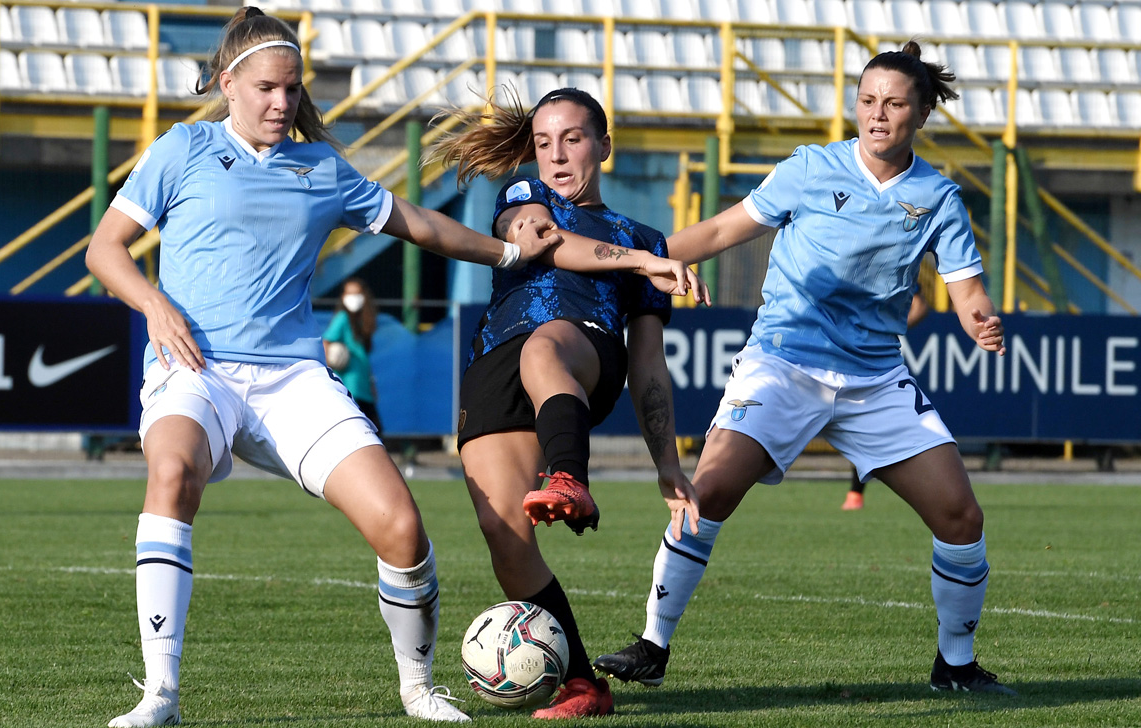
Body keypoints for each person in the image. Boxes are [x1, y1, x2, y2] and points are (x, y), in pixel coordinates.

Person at [84, 9, 567, 726]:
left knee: (402, 528)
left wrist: (505, 255)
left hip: (292, 381)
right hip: (197, 368)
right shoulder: (182, 148)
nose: (283, 103)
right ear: (229, 84)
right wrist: (155, 306)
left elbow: (419, 223)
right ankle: (161, 695)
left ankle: (418, 689)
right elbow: (104, 251)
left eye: (292, 89)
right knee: (172, 474)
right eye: (268, 90)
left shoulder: (321, 169)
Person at [594, 42, 1017, 696]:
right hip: (783, 362)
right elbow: (719, 231)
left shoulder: (938, 198)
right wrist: (640, 261)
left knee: (961, 517)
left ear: (922, 114)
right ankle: (653, 642)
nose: (877, 115)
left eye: (895, 104)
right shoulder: (811, 169)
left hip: (874, 379)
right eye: (867, 100)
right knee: (708, 492)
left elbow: (969, 292)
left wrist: (981, 319)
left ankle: (955, 663)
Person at [429, 87, 706, 718]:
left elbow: (648, 366)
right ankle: (584, 683)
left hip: (585, 349)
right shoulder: (522, 201)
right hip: (495, 364)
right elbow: (545, 242)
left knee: (545, 347)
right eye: (544, 142)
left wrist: (667, 463)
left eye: (573, 139)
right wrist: (643, 264)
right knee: (507, 538)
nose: (556, 155)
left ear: (604, 146)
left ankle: (569, 476)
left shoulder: (644, 236)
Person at [842, 288, 929, 510]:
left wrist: (888, 330)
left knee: (866, 422)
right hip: (822, 355)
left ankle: (856, 493)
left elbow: (919, 306)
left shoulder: (890, 258)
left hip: (871, 360)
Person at [323, 276, 382, 432]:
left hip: (363, 388)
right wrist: (332, 361)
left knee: (374, 431)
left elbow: (363, 358)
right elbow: (326, 342)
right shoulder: (342, 318)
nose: (353, 298)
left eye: (357, 293)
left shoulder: (363, 322)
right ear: (343, 297)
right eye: (349, 293)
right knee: (365, 431)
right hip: (349, 387)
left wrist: (371, 384)